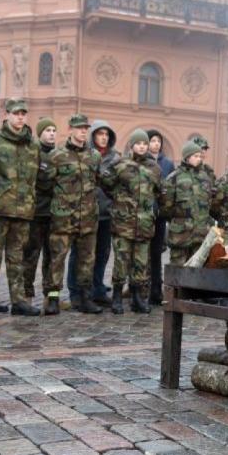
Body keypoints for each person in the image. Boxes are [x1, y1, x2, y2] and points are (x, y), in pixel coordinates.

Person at [0, 98, 40, 318]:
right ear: (7, 115)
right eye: (16, 113)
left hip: (23, 212)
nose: (20, 117)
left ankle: (19, 300)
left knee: (17, 259)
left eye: (23, 114)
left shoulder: (33, 145)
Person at [44, 114, 103, 315]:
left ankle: (85, 298)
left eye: (86, 128)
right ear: (70, 129)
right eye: (79, 128)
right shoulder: (56, 155)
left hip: (88, 218)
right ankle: (53, 299)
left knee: (87, 260)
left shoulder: (94, 156)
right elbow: (46, 184)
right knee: (57, 259)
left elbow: (98, 181)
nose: (83, 131)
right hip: (63, 219)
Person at [101, 128, 161, 314]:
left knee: (141, 263)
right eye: (138, 143)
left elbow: (158, 191)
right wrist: (120, 200)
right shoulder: (120, 165)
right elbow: (106, 184)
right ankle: (117, 297)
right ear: (131, 145)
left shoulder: (154, 168)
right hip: (123, 223)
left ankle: (137, 298)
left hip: (144, 224)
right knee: (121, 261)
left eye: (144, 144)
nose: (142, 147)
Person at [68, 119, 118, 306]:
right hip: (85, 214)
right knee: (79, 254)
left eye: (106, 135)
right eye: (100, 134)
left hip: (105, 214)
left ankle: (97, 289)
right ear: (93, 136)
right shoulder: (85, 155)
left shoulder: (116, 159)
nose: (104, 138)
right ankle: (75, 291)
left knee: (102, 253)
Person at [23, 116, 57, 309]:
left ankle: (51, 297)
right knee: (30, 257)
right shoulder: (33, 153)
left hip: (54, 215)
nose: (51, 134)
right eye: (47, 130)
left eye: (54, 130)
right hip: (36, 214)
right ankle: (26, 296)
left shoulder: (59, 155)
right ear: (40, 134)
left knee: (52, 259)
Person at [160, 141, 213, 265]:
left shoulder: (205, 178)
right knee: (177, 268)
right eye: (195, 156)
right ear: (187, 157)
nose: (199, 159)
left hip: (200, 234)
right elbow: (166, 207)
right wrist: (179, 220)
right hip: (180, 234)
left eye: (200, 156)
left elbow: (209, 203)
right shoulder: (174, 177)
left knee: (197, 268)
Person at [147, 130, 173, 305]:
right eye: (153, 140)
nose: (156, 144)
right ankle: (138, 288)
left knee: (156, 253)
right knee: (141, 254)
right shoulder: (141, 162)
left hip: (160, 217)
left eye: (158, 141)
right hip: (143, 216)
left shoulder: (168, 164)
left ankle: (156, 289)